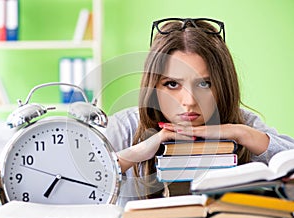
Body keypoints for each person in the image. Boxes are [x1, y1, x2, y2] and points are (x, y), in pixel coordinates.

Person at [104, 18, 294, 207]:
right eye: (172, 84)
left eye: (204, 84)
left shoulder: (243, 124)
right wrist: (135, 153)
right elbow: (82, 188)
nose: (189, 101)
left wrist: (243, 134)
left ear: (223, 86)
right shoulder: (124, 127)